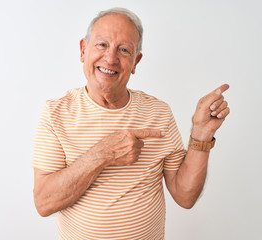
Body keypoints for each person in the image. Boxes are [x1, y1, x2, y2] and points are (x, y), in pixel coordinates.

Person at [32, 7, 230, 240]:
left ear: (135, 62)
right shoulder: (56, 113)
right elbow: (44, 203)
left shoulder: (159, 113)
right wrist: (102, 154)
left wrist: (201, 135)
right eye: (102, 45)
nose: (111, 58)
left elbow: (185, 197)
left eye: (124, 50)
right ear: (83, 50)